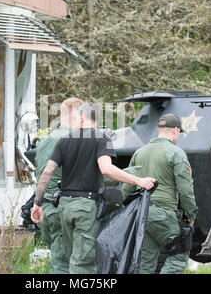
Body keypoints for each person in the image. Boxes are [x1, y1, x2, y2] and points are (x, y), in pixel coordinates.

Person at [31, 102, 156, 273]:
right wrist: (138, 180)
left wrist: (37, 203)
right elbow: (106, 169)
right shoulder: (102, 138)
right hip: (85, 208)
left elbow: (47, 171)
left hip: (64, 207)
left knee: (66, 261)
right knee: (82, 263)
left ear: (81, 118)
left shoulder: (63, 140)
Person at [124, 113, 198, 274]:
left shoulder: (139, 152)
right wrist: (191, 214)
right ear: (175, 131)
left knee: (145, 262)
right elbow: (185, 190)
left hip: (141, 214)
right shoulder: (176, 153)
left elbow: (127, 187)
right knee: (179, 255)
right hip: (163, 214)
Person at [34, 97, 83, 274]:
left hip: (45, 210)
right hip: (60, 209)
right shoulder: (73, 141)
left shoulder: (45, 142)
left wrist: (36, 203)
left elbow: (41, 175)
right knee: (63, 265)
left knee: (58, 258)